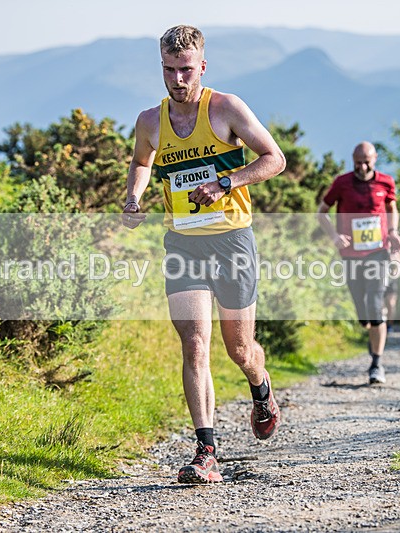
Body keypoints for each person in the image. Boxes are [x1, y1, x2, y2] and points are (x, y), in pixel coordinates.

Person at [121, 25, 287, 484]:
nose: (178, 79)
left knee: (239, 349)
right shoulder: (150, 121)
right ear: (161, 67)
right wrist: (134, 197)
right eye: (169, 70)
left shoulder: (226, 108)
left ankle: (262, 388)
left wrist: (225, 183)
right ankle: (206, 449)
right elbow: (141, 161)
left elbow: (275, 159)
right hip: (183, 243)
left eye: (186, 70)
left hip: (232, 239)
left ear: (203, 66)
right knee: (194, 343)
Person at [317, 142, 400, 384]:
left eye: (367, 162)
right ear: (352, 159)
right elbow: (321, 212)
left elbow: (392, 208)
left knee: (376, 303)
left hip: (378, 253)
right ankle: (370, 327)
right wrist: (334, 236)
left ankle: (376, 364)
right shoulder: (342, 183)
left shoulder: (386, 182)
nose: (362, 166)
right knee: (362, 313)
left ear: (375, 159)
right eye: (358, 162)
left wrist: (394, 232)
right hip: (351, 256)